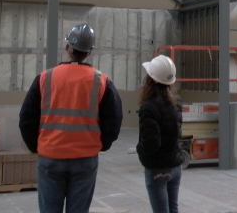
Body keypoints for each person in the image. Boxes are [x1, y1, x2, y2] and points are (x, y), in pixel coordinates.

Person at [19, 24, 123, 213]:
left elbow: (26, 118)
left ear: (67, 47)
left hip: (50, 156)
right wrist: (101, 145)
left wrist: (37, 147)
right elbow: (114, 121)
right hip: (85, 159)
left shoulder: (44, 78)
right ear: (89, 52)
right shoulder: (101, 82)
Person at [137, 55, 183, 213]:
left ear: (153, 80)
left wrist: (141, 152)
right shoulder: (176, 104)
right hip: (175, 167)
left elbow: (150, 143)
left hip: (158, 169)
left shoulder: (149, 108)